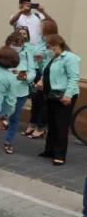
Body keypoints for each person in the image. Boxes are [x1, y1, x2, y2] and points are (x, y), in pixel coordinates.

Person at [36, 35, 80, 166]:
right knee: (52, 123)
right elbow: (46, 72)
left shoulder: (70, 58)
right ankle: (50, 150)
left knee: (61, 125)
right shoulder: (52, 58)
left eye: (48, 47)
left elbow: (74, 78)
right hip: (51, 94)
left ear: (56, 45)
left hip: (64, 95)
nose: (47, 49)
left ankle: (60, 155)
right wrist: (41, 80)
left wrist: (68, 95)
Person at [25, 19, 59, 140]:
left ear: (47, 27)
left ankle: (40, 127)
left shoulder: (54, 41)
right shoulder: (41, 40)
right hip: (38, 71)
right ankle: (32, 123)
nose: (38, 27)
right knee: (35, 99)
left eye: (40, 26)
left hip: (48, 74)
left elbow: (53, 58)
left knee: (44, 101)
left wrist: (41, 59)